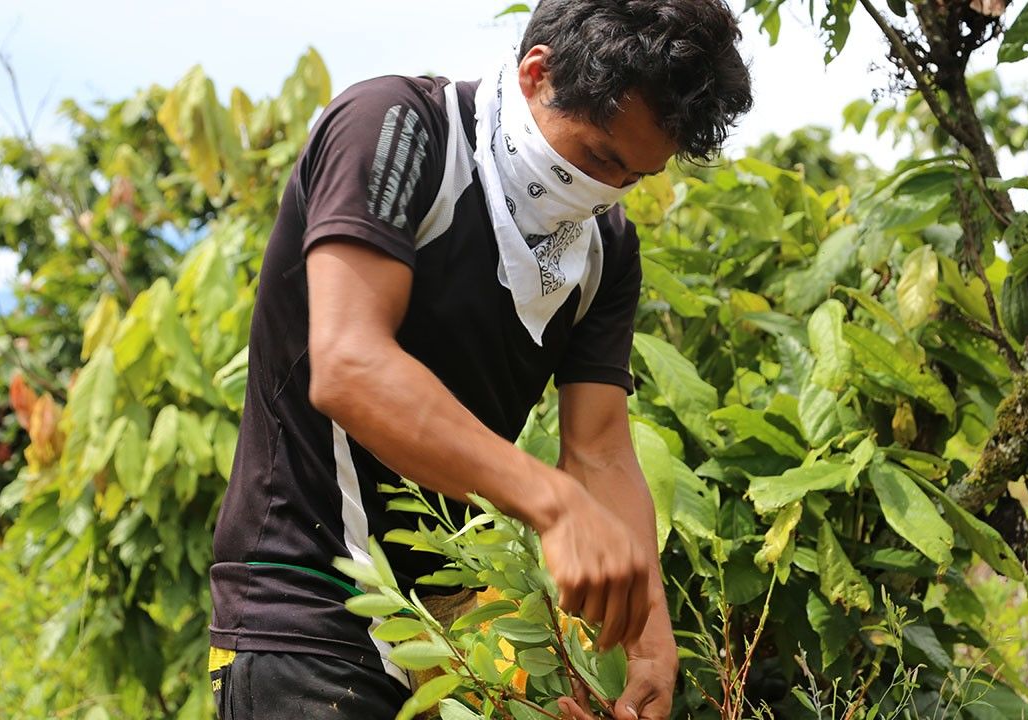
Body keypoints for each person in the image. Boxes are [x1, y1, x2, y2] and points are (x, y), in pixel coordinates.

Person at [206, 1, 752, 717]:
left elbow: (600, 451)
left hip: (445, 636)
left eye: (633, 178)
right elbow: (350, 363)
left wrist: (646, 629)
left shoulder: (603, 248)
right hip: (303, 614)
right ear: (536, 74)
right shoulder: (398, 127)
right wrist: (555, 507)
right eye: (598, 157)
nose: (607, 190)